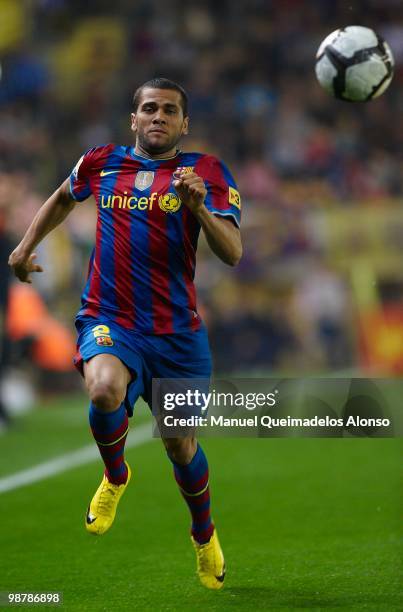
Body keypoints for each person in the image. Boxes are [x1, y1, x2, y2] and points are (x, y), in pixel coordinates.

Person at [8, 78, 242, 590]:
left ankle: (203, 535)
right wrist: (26, 247)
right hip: (110, 318)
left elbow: (233, 252)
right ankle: (116, 475)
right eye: (150, 108)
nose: (159, 117)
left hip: (178, 336)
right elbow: (62, 197)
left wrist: (198, 206)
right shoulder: (101, 161)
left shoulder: (206, 173)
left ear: (185, 124)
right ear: (133, 119)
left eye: (170, 111)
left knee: (180, 448)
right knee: (103, 387)